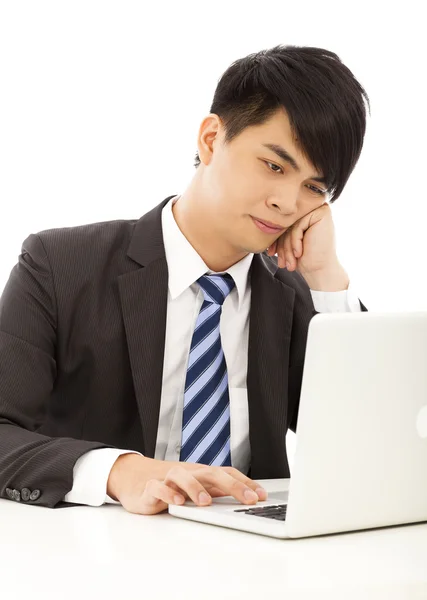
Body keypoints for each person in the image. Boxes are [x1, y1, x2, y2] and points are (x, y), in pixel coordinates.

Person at [0, 44, 369, 516]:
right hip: (96, 560)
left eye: (314, 188)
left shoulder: (298, 297)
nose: (287, 202)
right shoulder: (59, 267)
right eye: (274, 166)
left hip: (257, 562)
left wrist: (327, 278)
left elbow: (365, 447)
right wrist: (120, 471)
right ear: (212, 139)